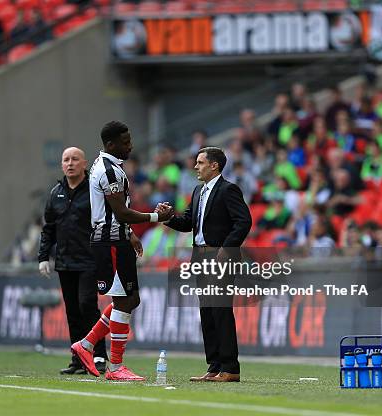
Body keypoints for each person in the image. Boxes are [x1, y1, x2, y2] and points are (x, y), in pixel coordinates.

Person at [70, 121, 173, 381]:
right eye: (125, 142)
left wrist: (130, 234)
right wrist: (155, 217)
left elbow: (117, 213)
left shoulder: (110, 166)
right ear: (111, 144)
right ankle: (115, 367)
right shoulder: (109, 171)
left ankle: (86, 345)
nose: (131, 145)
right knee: (124, 301)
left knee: (130, 299)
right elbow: (120, 212)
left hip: (117, 238)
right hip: (109, 243)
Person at [164, 147, 251, 382]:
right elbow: (187, 223)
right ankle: (214, 366)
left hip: (219, 257)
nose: (195, 167)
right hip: (200, 258)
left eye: (200, 162)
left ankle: (230, 368)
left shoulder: (228, 189)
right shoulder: (198, 191)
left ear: (214, 166)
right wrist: (167, 217)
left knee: (221, 311)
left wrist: (226, 247)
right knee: (207, 312)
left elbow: (243, 221)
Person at [38, 147, 108, 375]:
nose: (70, 163)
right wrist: (43, 257)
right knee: (72, 311)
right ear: (61, 165)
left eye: (75, 159)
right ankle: (78, 358)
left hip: (89, 259)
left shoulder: (94, 190)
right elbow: (48, 228)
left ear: (84, 163)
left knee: (87, 305)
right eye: (66, 160)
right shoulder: (55, 192)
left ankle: (98, 355)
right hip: (64, 262)